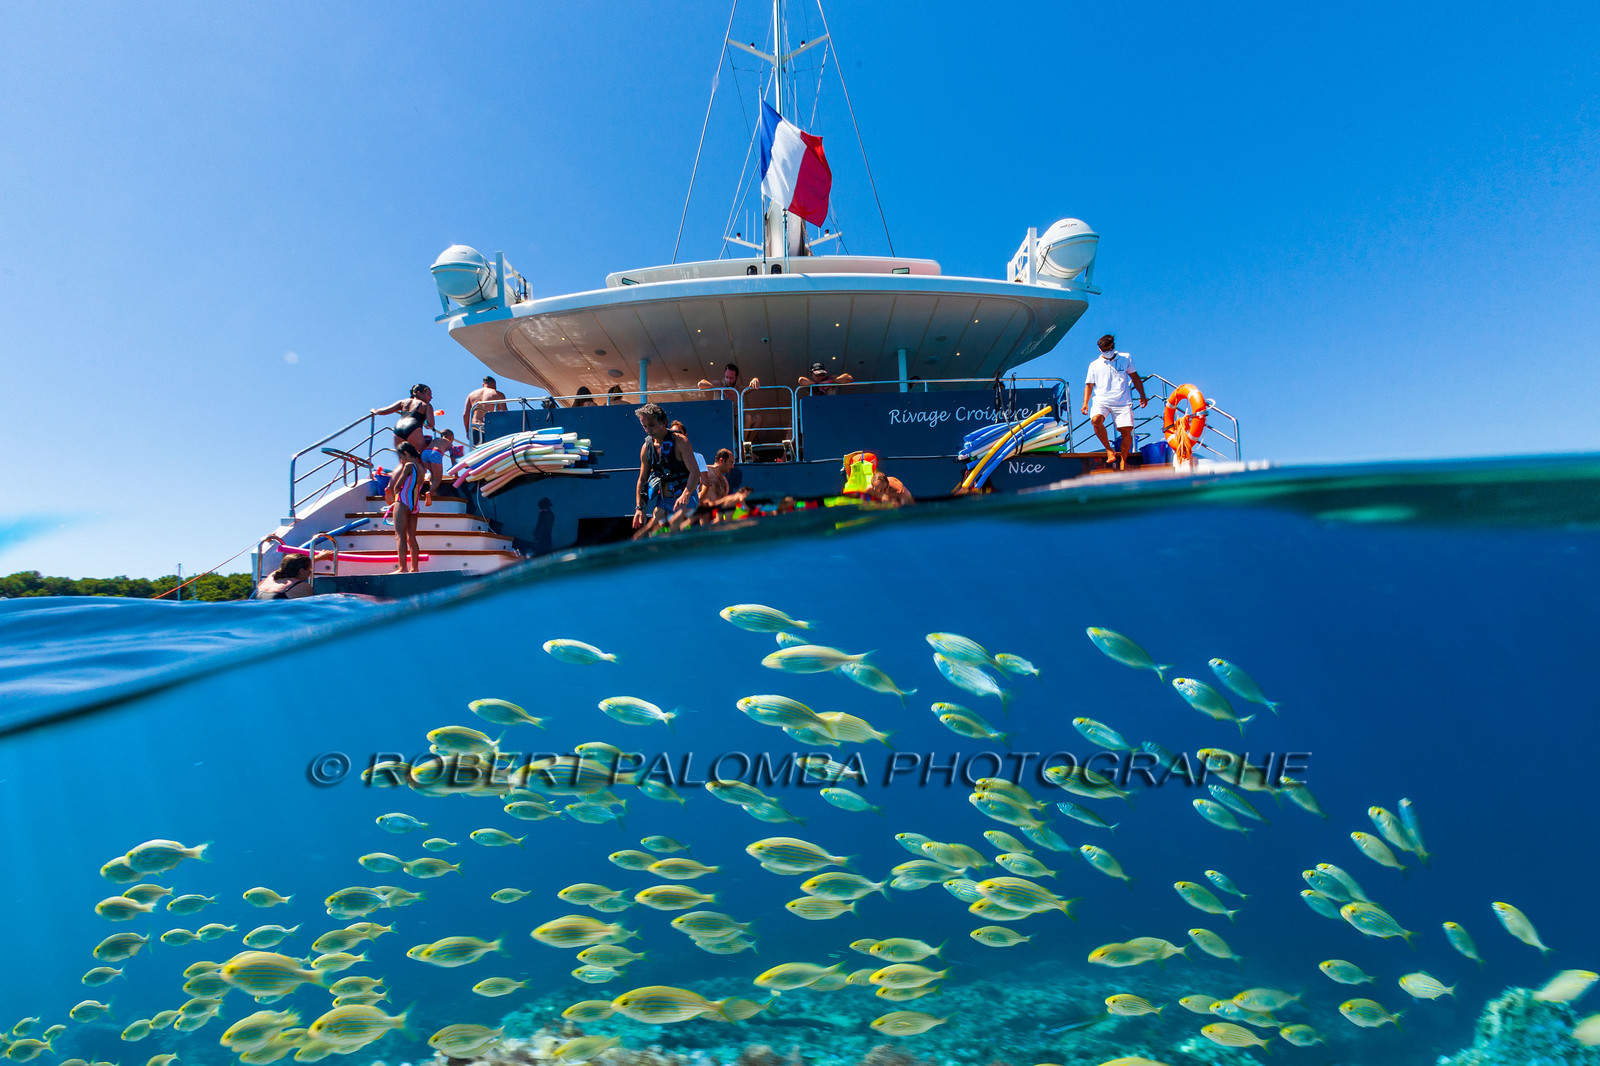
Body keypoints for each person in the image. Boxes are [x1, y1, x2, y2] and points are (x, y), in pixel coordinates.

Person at [632, 404, 700, 539]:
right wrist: (639, 508)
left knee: (674, 526)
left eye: (651, 425)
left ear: (664, 423)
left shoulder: (681, 442)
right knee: (643, 535)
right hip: (664, 500)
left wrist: (685, 494)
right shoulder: (646, 448)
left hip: (686, 499)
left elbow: (695, 472)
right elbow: (642, 479)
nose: (648, 430)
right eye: (645, 426)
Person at [1081, 334, 1148, 469]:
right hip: (1102, 399)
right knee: (1095, 420)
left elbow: (1135, 377)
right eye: (1106, 350)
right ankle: (1109, 450)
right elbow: (1089, 385)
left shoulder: (1126, 358)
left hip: (1122, 400)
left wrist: (1142, 395)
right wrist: (1085, 403)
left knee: (1126, 431)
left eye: (1111, 348)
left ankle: (1123, 460)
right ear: (1100, 350)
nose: (1109, 351)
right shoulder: (1094, 365)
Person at [385, 443, 430, 573]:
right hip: (415, 504)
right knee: (412, 537)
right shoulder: (421, 468)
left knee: (400, 536)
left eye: (401, 457)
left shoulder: (409, 465)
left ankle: (402, 567)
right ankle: (414, 568)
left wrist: (392, 495)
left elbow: (397, 486)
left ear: (405, 453)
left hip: (403, 500)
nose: (401, 461)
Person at [373, 384, 435, 454]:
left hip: (398, 428)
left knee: (402, 461)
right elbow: (431, 424)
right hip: (414, 427)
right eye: (429, 394)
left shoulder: (403, 402)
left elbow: (385, 411)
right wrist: (425, 423)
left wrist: (375, 411)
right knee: (421, 457)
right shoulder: (426, 405)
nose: (431, 398)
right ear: (418, 393)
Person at [695, 448, 748, 523]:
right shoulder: (703, 472)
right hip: (697, 521)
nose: (732, 466)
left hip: (715, 524)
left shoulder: (725, 482)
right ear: (721, 461)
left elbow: (722, 506)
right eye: (731, 462)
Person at [463, 375, 506, 443]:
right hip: (490, 428)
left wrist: (468, 431)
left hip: (475, 428)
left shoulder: (471, 395)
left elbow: (465, 414)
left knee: (478, 452)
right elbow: (505, 414)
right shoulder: (498, 394)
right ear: (494, 384)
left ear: (483, 384)